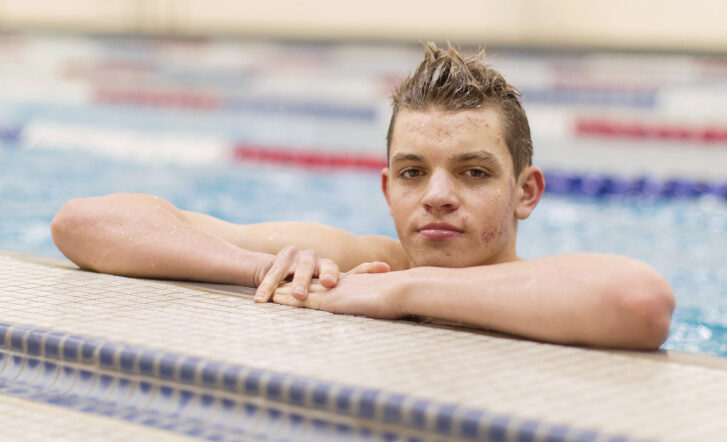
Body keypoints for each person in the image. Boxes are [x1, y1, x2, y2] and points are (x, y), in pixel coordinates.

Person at [51, 42, 674, 350]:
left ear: (526, 192)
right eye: (411, 172)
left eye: (473, 172)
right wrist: (262, 269)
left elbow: (640, 300)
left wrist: (399, 292)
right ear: (386, 187)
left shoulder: (552, 289)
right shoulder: (352, 261)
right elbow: (85, 222)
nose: (436, 196)